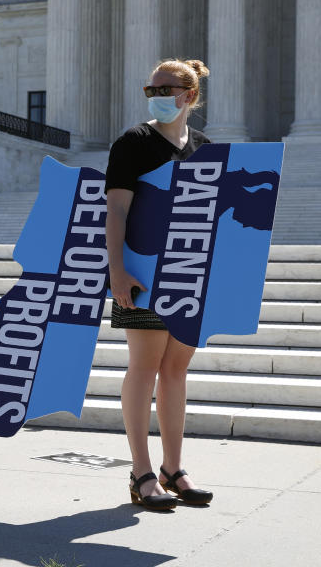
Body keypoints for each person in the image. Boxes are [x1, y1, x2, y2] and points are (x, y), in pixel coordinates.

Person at [105, 58, 216, 511]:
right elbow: (115, 210)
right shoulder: (134, 141)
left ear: (189, 95)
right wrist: (116, 270)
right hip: (142, 271)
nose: (156, 97)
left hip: (188, 271)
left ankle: (174, 469)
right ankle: (141, 472)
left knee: (175, 370)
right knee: (144, 366)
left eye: (165, 89)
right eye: (151, 90)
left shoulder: (205, 148)